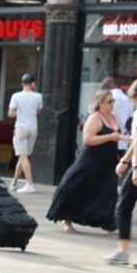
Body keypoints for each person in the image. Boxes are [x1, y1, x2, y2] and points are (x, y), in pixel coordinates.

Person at [46, 90, 130, 232]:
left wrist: (123, 139)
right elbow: (88, 139)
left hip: (108, 161)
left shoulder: (113, 117)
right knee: (75, 186)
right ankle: (66, 218)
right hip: (90, 160)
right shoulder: (95, 118)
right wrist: (110, 137)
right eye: (109, 101)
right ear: (100, 103)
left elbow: (115, 136)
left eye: (113, 101)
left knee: (108, 192)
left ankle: (109, 224)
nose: (112, 104)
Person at [107, 78, 137, 268]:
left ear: (132, 95)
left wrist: (135, 168)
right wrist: (124, 161)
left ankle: (123, 252)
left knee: (123, 205)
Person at [7, 73, 43, 193]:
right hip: (33, 128)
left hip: (21, 127)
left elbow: (11, 113)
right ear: (33, 83)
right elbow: (38, 111)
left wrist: (19, 112)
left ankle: (30, 184)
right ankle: (14, 183)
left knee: (23, 156)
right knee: (24, 156)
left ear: (22, 84)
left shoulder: (16, 96)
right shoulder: (38, 96)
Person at [102, 76, 133, 156]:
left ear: (106, 86)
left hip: (107, 140)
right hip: (123, 141)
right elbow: (130, 122)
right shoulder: (128, 99)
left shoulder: (106, 98)